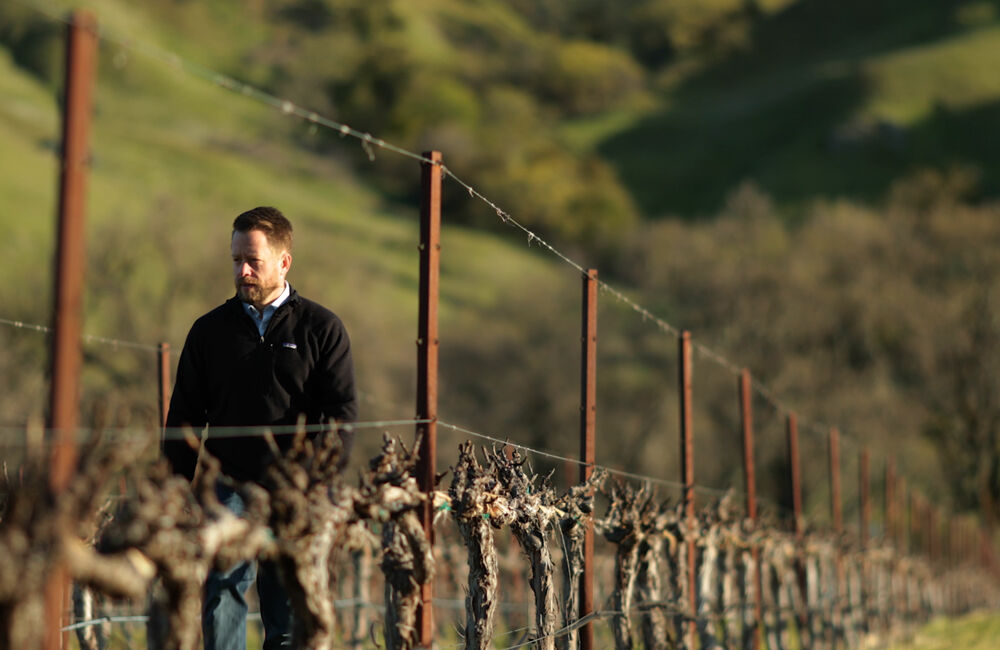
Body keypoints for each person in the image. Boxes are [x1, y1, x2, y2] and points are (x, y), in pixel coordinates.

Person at [164, 206, 358, 650]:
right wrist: (174, 493)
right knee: (222, 593)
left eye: (253, 261)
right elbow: (185, 419)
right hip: (227, 485)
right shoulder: (209, 332)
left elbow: (341, 414)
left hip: (295, 487)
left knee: (288, 606)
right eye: (236, 260)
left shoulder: (321, 329)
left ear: (284, 261)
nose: (243, 270)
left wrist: (316, 482)